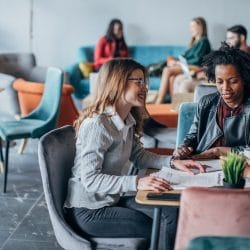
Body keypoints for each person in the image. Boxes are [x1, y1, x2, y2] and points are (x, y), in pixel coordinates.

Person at [64, 58, 204, 250]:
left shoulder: (127, 119)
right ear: (118, 82)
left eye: (144, 81)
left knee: (171, 214)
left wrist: (173, 162)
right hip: (89, 210)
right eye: (138, 81)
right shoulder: (98, 125)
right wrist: (137, 182)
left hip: (113, 197)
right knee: (161, 226)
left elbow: (139, 155)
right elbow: (90, 180)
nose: (145, 87)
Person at [173, 42, 250, 161]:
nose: (225, 88)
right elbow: (192, 136)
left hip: (238, 166)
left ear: (244, 79)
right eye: (219, 82)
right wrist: (183, 148)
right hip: (202, 163)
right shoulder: (206, 103)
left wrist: (218, 151)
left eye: (233, 81)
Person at [155, 17, 211, 104]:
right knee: (172, 78)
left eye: (193, 26)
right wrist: (175, 61)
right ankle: (174, 104)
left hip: (196, 67)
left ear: (200, 27)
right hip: (187, 65)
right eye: (190, 27)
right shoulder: (194, 42)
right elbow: (184, 56)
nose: (190, 29)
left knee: (167, 70)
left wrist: (178, 63)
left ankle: (159, 101)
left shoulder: (203, 41)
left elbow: (197, 59)